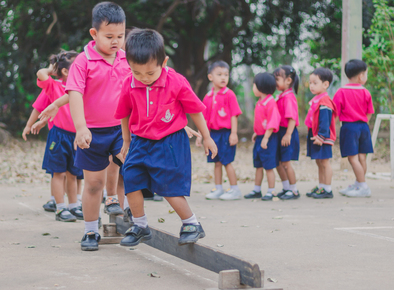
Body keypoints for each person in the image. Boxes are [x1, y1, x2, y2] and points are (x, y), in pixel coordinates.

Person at [114, 28, 217, 247]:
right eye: (137, 72)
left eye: (150, 73)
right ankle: (140, 225)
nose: (144, 79)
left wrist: (206, 137)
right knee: (130, 177)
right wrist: (126, 140)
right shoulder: (128, 83)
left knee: (168, 185)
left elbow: (195, 110)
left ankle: (191, 223)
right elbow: (124, 114)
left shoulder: (176, 82)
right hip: (140, 140)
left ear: (164, 62)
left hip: (170, 141)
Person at [66, 2, 129, 251]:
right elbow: (74, 93)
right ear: (94, 34)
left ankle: (125, 220)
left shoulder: (128, 59)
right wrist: (81, 128)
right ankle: (91, 231)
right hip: (92, 133)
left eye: (121, 36)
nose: (116, 41)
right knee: (93, 184)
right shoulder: (83, 61)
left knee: (129, 172)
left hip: (121, 129)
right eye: (109, 36)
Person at [37, 50, 84, 221]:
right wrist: (52, 68)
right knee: (59, 173)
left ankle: (73, 206)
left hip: (75, 136)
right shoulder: (54, 85)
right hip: (59, 135)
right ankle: (60, 208)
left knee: (73, 173)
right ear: (65, 71)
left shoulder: (81, 88)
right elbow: (40, 74)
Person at [196, 60, 242, 200]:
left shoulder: (229, 94)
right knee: (216, 162)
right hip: (213, 135)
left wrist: (234, 133)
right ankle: (219, 188)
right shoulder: (208, 97)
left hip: (226, 134)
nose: (223, 77)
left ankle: (234, 189)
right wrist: (200, 135)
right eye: (219, 74)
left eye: (226, 74)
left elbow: (234, 114)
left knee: (227, 161)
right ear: (210, 77)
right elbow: (203, 118)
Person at [333, 59, 374, 197]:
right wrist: (363, 123)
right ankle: (359, 183)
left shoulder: (341, 92)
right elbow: (369, 112)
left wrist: (330, 129)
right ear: (361, 76)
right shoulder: (366, 92)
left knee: (353, 158)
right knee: (362, 157)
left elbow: (335, 114)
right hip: (364, 126)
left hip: (349, 128)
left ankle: (363, 186)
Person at [244, 73, 281, 201]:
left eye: (254, 85)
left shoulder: (270, 102)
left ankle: (271, 191)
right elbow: (261, 120)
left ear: (261, 86)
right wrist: (257, 132)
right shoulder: (260, 102)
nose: (253, 87)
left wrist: (266, 137)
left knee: (269, 166)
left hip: (268, 139)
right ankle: (257, 189)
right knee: (258, 165)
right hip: (260, 137)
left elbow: (272, 121)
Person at [305, 68, 337, 199]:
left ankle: (327, 189)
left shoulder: (324, 101)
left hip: (322, 137)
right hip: (316, 135)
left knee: (324, 162)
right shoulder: (317, 99)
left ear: (325, 84)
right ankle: (321, 186)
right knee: (319, 162)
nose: (311, 85)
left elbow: (325, 121)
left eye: (315, 82)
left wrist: (321, 137)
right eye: (310, 82)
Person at [273, 65, 301, 200]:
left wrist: (288, 134)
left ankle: (294, 190)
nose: (274, 82)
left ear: (288, 80)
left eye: (277, 79)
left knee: (286, 163)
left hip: (287, 132)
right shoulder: (281, 96)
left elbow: (292, 118)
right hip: (280, 133)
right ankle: (286, 188)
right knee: (278, 162)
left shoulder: (289, 97)